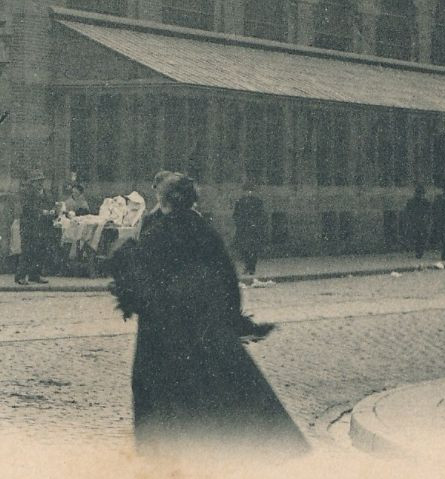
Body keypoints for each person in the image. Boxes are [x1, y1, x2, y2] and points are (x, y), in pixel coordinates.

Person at [109, 172, 307, 454]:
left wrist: (125, 265)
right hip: (199, 326)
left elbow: (136, 277)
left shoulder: (156, 230)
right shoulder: (202, 229)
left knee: (155, 388)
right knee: (215, 390)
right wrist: (232, 319)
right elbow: (227, 278)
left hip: (160, 330)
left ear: (162, 199)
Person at [15, 170, 52, 285]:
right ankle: (20, 276)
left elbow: (50, 203)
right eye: (37, 181)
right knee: (27, 251)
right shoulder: (26, 193)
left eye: (41, 181)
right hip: (29, 226)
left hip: (42, 226)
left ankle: (35, 275)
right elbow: (26, 208)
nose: (40, 183)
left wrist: (52, 211)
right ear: (31, 183)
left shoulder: (46, 193)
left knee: (40, 250)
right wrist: (41, 212)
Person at [231, 186, 269, 278]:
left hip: (254, 230)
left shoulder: (257, 202)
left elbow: (262, 215)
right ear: (244, 192)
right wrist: (240, 224)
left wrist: (256, 224)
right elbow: (235, 215)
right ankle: (247, 266)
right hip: (243, 230)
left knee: (253, 249)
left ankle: (252, 268)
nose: (249, 193)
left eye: (251, 191)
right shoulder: (239, 202)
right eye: (247, 191)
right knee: (243, 249)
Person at [404, 184, 431, 260]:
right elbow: (408, 212)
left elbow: (429, 212)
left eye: (421, 193)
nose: (420, 195)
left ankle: (419, 251)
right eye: (419, 193)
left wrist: (427, 220)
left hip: (422, 223)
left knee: (422, 238)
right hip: (416, 222)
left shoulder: (425, 202)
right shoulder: (412, 202)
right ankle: (418, 251)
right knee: (417, 237)